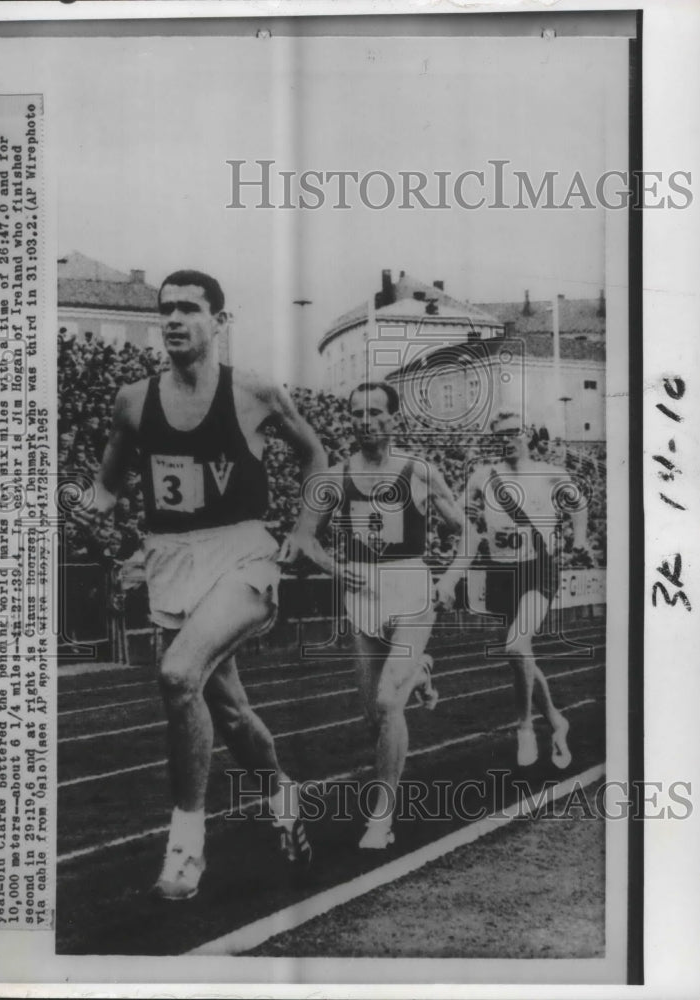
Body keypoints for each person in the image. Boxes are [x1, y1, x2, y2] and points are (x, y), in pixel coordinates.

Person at [88, 269, 328, 900]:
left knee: (176, 674)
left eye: (189, 309)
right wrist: (99, 521)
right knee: (228, 710)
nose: (173, 319)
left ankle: (186, 849)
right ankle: (282, 798)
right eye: (165, 309)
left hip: (242, 552)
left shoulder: (253, 392)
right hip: (170, 560)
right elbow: (106, 491)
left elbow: (317, 457)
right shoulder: (133, 400)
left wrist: (304, 530)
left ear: (218, 322)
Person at [304, 381, 465, 850]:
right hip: (362, 595)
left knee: (388, 702)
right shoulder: (334, 478)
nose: (366, 421)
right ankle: (420, 672)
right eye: (357, 413)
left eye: (376, 412)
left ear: (394, 419)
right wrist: (334, 568)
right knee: (372, 716)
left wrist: (450, 579)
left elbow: (467, 533)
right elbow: (306, 540)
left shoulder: (419, 472)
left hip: (411, 588)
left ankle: (382, 813)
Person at [441, 411, 590, 769]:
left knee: (516, 644)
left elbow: (579, 504)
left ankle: (525, 727)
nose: (505, 441)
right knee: (521, 659)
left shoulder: (550, 472)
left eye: (511, 434)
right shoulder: (482, 476)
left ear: (527, 434)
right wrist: (456, 521)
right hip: (501, 571)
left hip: (539, 569)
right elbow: (457, 510)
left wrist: (580, 539)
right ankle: (555, 718)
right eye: (499, 436)